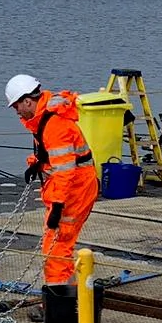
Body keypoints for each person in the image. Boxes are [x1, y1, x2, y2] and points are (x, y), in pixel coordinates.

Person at [7, 74, 98, 303]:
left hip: (74, 190)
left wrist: (57, 205)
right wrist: (36, 162)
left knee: (56, 247)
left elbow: (65, 170)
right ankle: (69, 296)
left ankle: (61, 304)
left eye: (17, 106)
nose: (16, 112)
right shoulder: (44, 119)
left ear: (28, 101)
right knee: (58, 245)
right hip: (72, 186)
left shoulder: (55, 124)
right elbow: (55, 156)